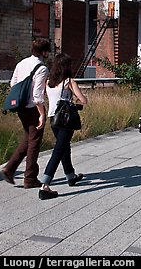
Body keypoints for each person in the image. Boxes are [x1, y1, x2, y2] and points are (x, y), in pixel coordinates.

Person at [0, 38, 51, 189]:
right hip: (33, 108)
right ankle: (30, 178)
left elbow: (13, 84)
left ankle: (9, 169)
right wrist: (41, 113)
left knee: (28, 138)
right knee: (34, 142)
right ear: (44, 52)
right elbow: (37, 95)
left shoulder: (21, 63)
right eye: (47, 51)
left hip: (20, 107)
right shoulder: (42, 68)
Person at [39, 53, 88, 200]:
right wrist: (74, 100)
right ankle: (45, 185)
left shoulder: (48, 82)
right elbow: (84, 100)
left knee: (64, 146)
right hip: (66, 120)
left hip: (53, 119)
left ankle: (70, 176)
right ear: (66, 67)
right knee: (59, 149)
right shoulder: (69, 82)